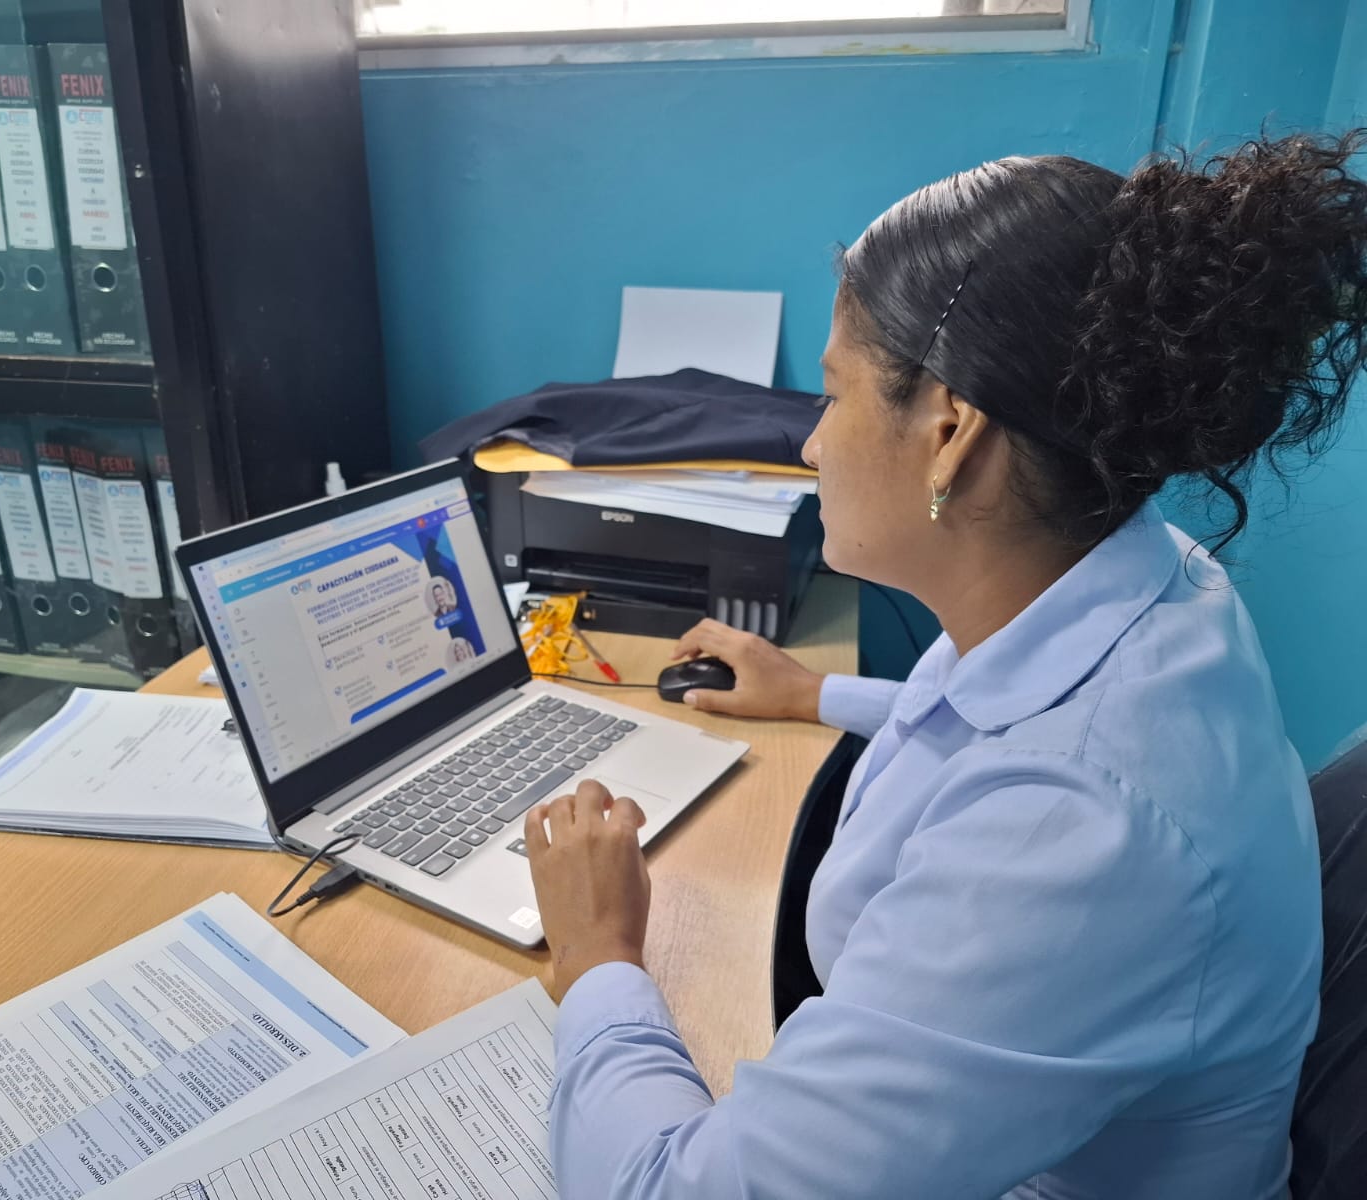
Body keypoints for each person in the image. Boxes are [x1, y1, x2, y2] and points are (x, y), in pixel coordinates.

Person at [523, 132, 1367, 1199]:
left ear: (950, 430)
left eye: (833, 396)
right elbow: (1002, 716)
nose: (810, 446)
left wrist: (597, 956)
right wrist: (816, 692)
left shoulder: (1077, 836)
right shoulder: (1150, 574)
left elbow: (665, 1190)